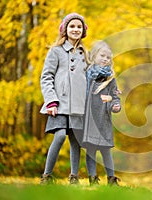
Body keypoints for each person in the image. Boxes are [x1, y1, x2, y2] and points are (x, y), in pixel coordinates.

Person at [39, 12, 88, 185]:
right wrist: (51, 100)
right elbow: (46, 77)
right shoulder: (56, 51)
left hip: (78, 105)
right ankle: (47, 176)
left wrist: (109, 90)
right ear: (65, 29)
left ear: (83, 31)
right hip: (58, 104)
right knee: (59, 136)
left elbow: (91, 78)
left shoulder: (85, 53)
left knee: (76, 141)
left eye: (79, 27)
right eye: (72, 26)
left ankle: (74, 177)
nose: (75, 29)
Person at [83, 41, 121, 186]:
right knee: (91, 150)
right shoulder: (87, 74)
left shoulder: (110, 78)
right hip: (89, 119)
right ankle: (92, 179)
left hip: (103, 119)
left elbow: (115, 97)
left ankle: (111, 179)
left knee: (106, 151)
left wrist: (115, 105)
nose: (105, 59)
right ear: (94, 55)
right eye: (102, 55)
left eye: (108, 58)